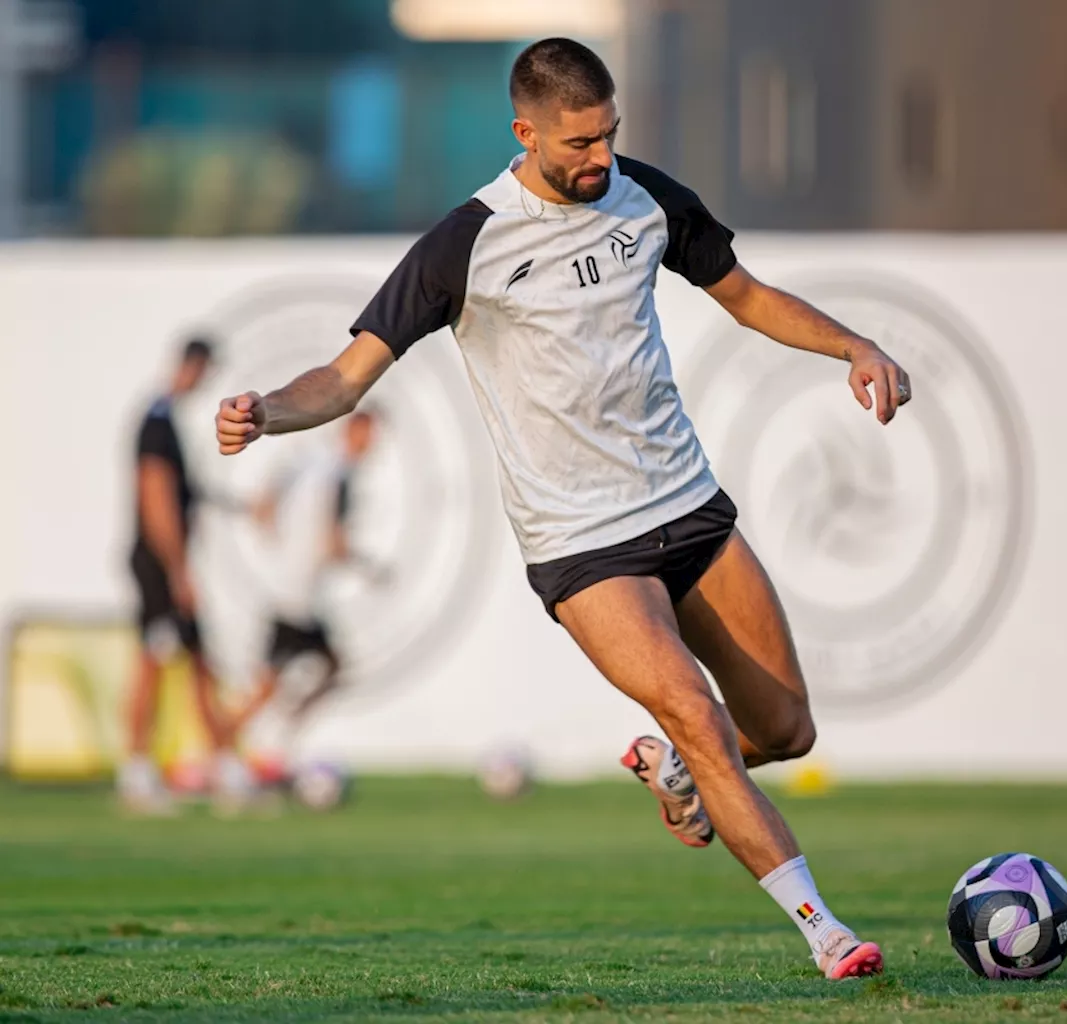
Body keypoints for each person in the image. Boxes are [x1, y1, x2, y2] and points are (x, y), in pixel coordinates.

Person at [214, 38, 910, 979]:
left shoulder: (646, 195)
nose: (600, 158)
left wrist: (853, 346)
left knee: (786, 731)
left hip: (689, 506)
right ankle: (825, 932)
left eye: (610, 135)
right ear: (525, 132)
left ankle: (674, 770)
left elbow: (745, 298)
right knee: (700, 718)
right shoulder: (466, 243)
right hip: (583, 546)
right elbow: (345, 378)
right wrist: (266, 412)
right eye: (580, 142)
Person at [122, 336, 255, 813]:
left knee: (200, 662)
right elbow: (156, 500)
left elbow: (190, 493)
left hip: (168, 564)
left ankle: (225, 767)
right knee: (153, 663)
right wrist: (178, 572)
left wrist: (244, 508)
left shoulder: (167, 419)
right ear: (191, 366)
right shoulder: (156, 421)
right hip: (158, 565)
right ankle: (137, 772)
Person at [228, 409, 387, 754]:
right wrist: (369, 569)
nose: (374, 445)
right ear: (355, 432)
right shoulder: (340, 475)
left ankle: (267, 740)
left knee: (322, 667)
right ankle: (228, 745)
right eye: (371, 435)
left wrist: (271, 523)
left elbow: (266, 499)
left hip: (292, 591)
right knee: (274, 683)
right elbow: (335, 543)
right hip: (296, 597)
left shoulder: (315, 461)